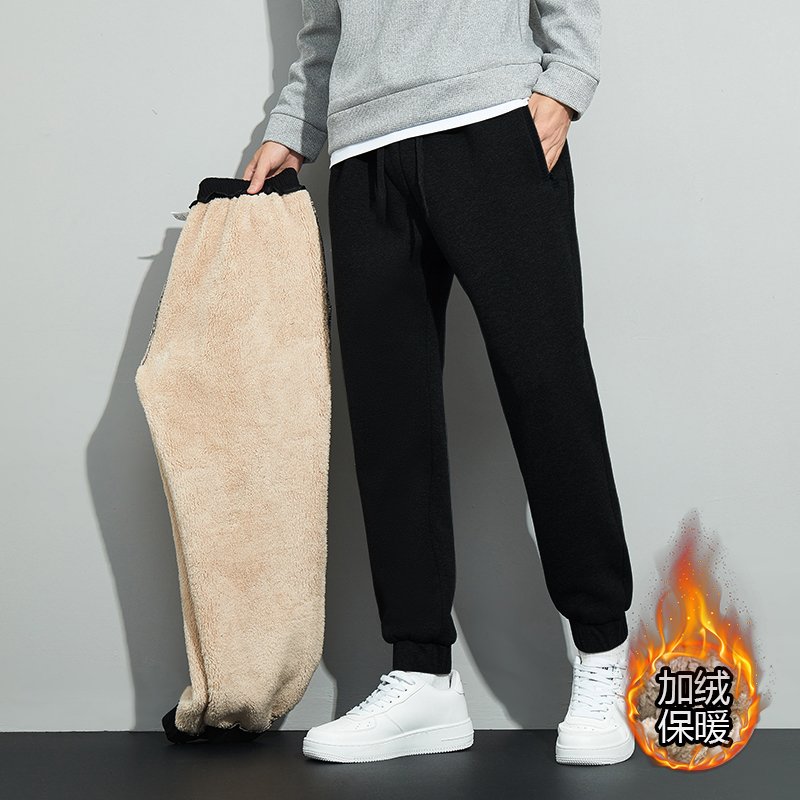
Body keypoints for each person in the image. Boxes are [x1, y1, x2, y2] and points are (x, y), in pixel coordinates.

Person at [245, 0, 635, 766]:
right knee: (390, 426)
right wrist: (293, 127)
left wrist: (565, 84)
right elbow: (324, 24)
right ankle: (422, 672)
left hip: (491, 123)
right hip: (364, 153)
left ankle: (602, 654)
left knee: (548, 394)